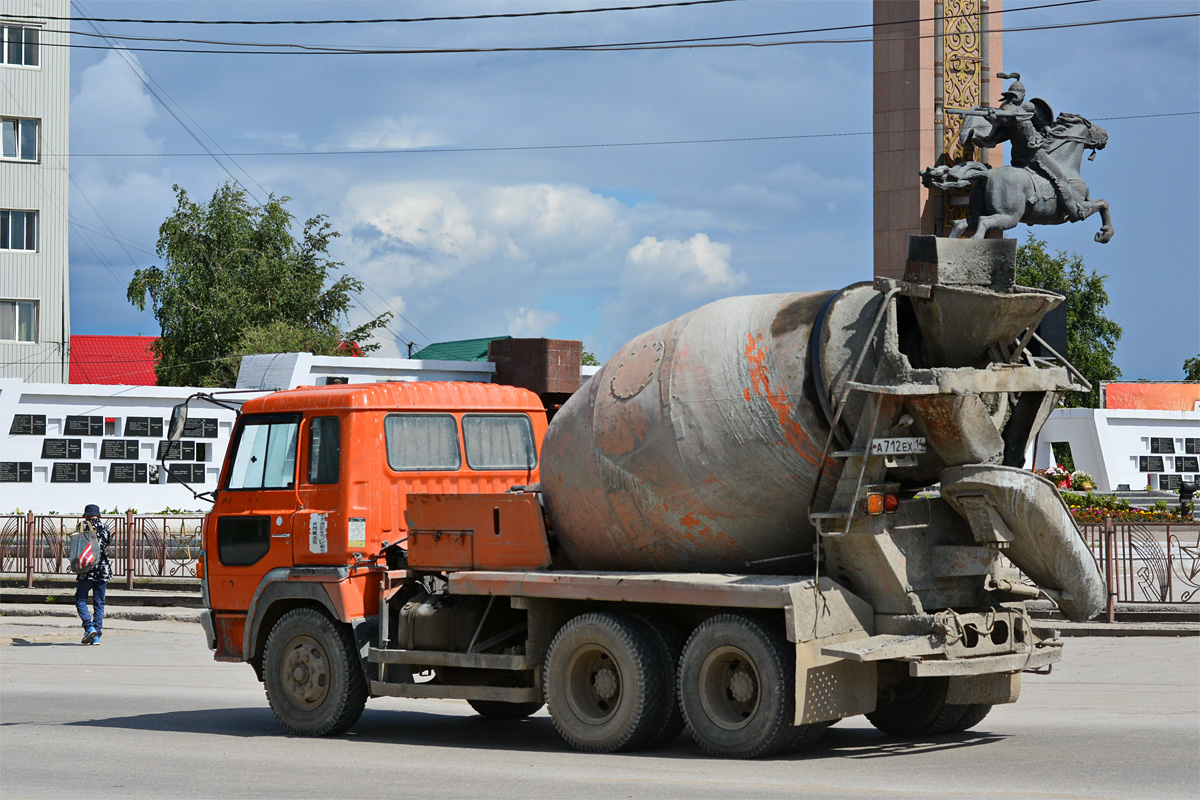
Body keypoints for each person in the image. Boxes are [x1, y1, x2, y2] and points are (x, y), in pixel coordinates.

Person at [986, 72, 1083, 221]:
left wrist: (1045, 127)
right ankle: (1074, 211)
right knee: (1061, 177)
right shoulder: (1010, 111)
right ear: (1020, 96)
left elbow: (1036, 114)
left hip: (1017, 157)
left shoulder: (1012, 109)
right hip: (1034, 155)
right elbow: (1018, 122)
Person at [74, 504, 113, 645]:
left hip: (87, 569)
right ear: (99, 515)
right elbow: (107, 543)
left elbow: (77, 545)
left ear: (85, 515)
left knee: (80, 598)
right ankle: (96, 635)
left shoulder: (82, 526)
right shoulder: (105, 527)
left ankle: (89, 627)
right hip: (103, 568)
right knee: (99, 602)